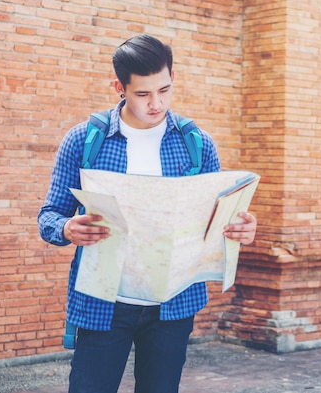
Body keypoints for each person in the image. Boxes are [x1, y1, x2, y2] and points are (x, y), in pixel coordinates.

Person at [38, 34, 257, 393]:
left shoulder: (197, 144)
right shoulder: (84, 140)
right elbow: (49, 215)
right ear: (119, 87)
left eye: (165, 90)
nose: (157, 103)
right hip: (104, 302)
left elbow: (215, 221)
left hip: (173, 305)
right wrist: (67, 228)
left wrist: (239, 228)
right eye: (143, 94)